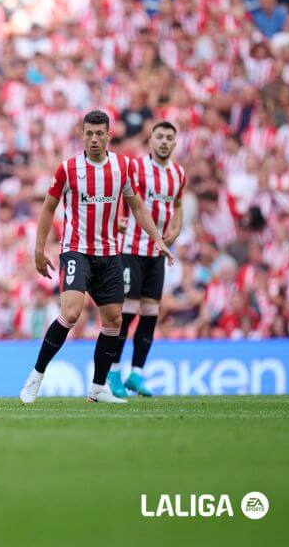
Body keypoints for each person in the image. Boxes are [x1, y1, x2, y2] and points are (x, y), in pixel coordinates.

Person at [19, 110, 173, 405]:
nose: (93, 139)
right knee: (72, 313)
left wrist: (157, 239)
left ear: (108, 135)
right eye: (88, 133)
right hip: (76, 250)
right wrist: (38, 250)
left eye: (98, 133)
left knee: (114, 320)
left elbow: (138, 207)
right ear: (82, 134)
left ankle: (98, 387)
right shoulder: (68, 169)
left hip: (109, 253)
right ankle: (36, 376)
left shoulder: (123, 167)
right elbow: (48, 208)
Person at [109, 122, 185, 398]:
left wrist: (174, 232)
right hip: (132, 248)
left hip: (157, 254)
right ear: (150, 140)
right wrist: (116, 221)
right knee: (126, 313)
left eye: (169, 138)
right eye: (160, 137)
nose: (164, 142)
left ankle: (137, 373)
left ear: (175, 143)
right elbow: (120, 196)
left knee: (151, 314)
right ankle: (114, 371)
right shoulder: (137, 167)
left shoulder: (178, 173)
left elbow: (177, 206)